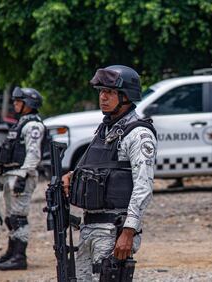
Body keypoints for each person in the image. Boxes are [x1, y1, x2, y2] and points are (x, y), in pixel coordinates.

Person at [62, 65, 157, 281]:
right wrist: (72, 177)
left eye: (110, 92)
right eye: (100, 92)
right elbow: (97, 167)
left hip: (114, 230)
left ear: (127, 96)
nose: (103, 97)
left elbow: (143, 186)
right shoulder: (105, 129)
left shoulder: (138, 134)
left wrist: (128, 232)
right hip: (90, 226)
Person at [0, 87, 45, 271]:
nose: (15, 104)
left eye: (19, 101)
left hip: (22, 176)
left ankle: (19, 257)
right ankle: (12, 252)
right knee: (10, 217)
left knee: (19, 217)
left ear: (29, 104)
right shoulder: (21, 123)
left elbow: (33, 154)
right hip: (12, 174)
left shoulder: (33, 125)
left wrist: (23, 175)